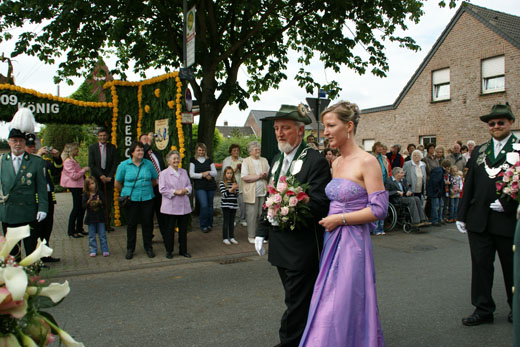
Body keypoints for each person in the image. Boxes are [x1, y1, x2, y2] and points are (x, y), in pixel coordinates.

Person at [297, 101, 387, 346]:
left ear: (348, 126)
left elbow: (379, 209)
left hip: (353, 243)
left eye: (330, 125)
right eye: (324, 126)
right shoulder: (335, 163)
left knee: (344, 300)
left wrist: (341, 219)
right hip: (331, 239)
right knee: (327, 296)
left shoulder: (367, 162)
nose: (325, 132)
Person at [254, 104, 331, 347]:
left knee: (296, 302)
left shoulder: (315, 161)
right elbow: (269, 198)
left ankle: (288, 342)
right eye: (277, 128)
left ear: (300, 130)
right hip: (279, 246)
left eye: (285, 128)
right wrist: (261, 232)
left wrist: (298, 201)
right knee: (294, 298)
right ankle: (309, 339)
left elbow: (321, 204)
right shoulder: (277, 159)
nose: (279, 133)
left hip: (302, 247)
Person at [457, 104, 520, 326]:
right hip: (479, 221)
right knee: (481, 267)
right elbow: (470, 184)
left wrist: (509, 206)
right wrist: (461, 215)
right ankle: (483, 309)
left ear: (511, 123)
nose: (495, 126)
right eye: (491, 123)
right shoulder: (480, 151)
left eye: (500, 122)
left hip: (508, 221)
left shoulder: (519, 148)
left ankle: (517, 308)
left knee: (513, 268)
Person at [0, 108, 48, 257]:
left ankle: (32, 278)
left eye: (21, 141)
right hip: (9, 213)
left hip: (28, 213)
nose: (18, 144)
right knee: (12, 253)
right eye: (14, 141)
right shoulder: (2, 161)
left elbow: (41, 188)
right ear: (9, 142)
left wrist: (43, 208)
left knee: (31, 251)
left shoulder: (36, 162)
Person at [115, 141, 158, 260]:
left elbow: (155, 180)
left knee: (147, 224)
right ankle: (130, 249)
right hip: (131, 199)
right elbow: (117, 183)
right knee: (131, 224)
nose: (141, 152)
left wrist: (146, 188)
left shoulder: (148, 164)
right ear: (132, 152)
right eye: (138, 150)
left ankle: (148, 247)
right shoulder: (123, 165)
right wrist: (126, 192)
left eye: (142, 150)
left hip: (147, 198)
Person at [25, 136, 62, 262]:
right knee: (36, 230)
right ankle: (36, 257)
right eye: (30, 147)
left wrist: (57, 156)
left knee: (47, 227)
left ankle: (45, 254)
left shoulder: (44, 161)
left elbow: (58, 170)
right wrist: (38, 156)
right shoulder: (26, 162)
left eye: (34, 146)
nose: (33, 148)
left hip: (48, 198)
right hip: (35, 200)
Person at [158, 150, 192, 259]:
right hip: (170, 207)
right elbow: (162, 189)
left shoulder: (184, 172)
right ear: (168, 161)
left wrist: (185, 190)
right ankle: (169, 251)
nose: (176, 160)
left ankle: (183, 250)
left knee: (183, 230)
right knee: (169, 230)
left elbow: (189, 186)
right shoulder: (163, 174)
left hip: (183, 206)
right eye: (174, 159)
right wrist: (175, 192)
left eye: (177, 158)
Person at [88, 128, 118, 231]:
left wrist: (109, 176)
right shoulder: (92, 148)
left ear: (107, 136)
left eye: (104, 135)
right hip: (97, 179)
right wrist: (101, 176)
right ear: (98, 137)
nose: (102, 137)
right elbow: (91, 164)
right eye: (100, 135)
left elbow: (114, 163)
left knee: (107, 202)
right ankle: (97, 225)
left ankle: (107, 224)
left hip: (108, 179)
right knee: (97, 202)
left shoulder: (112, 147)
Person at [241, 141, 269, 244]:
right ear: (250, 151)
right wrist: (259, 176)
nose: (258, 151)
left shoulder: (264, 160)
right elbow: (244, 177)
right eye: (256, 149)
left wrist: (265, 175)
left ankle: (260, 235)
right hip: (251, 193)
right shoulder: (246, 161)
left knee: (262, 215)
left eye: (259, 149)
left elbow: (269, 174)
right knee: (251, 215)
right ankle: (251, 236)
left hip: (263, 191)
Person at [60, 143, 90, 238]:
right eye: (76, 149)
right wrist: (84, 170)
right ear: (71, 150)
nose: (78, 151)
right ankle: (71, 230)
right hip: (75, 186)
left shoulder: (73, 160)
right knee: (76, 208)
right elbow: (74, 175)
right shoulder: (68, 161)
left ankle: (79, 228)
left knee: (81, 207)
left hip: (79, 186)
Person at [141, 132, 166, 234]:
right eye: (144, 139)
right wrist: (147, 143)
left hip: (160, 187)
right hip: (149, 187)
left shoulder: (156, 153)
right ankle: (148, 237)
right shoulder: (141, 154)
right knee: (148, 215)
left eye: (148, 138)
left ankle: (165, 236)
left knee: (162, 213)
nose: (147, 140)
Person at [189, 142, 217, 232]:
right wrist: (202, 175)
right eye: (199, 150)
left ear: (205, 151)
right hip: (200, 186)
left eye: (203, 150)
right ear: (197, 150)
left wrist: (208, 173)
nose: (201, 152)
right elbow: (191, 174)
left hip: (210, 185)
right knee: (204, 205)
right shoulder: (193, 160)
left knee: (210, 205)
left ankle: (210, 224)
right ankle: (203, 225)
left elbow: (215, 172)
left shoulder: (209, 160)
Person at [82, 176, 109, 257]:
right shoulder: (86, 195)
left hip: (100, 217)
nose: (92, 186)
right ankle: (93, 249)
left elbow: (104, 203)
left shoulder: (99, 193)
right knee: (91, 235)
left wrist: (100, 201)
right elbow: (83, 206)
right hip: (91, 218)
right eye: (90, 184)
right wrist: (89, 200)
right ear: (87, 186)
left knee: (102, 234)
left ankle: (105, 249)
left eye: (93, 183)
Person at [222, 144, 246, 226]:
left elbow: (247, 172)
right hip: (230, 185)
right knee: (232, 202)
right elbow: (225, 173)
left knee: (242, 203)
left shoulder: (243, 160)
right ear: (230, 152)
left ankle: (243, 219)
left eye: (237, 150)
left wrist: (242, 168)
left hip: (241, 184)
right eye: (234, 150)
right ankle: (233, 219)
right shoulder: (227, 160)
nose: (236, 152)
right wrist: (236, 169)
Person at [372, 141, 391, 235]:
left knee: (383, 206)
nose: (380, 149)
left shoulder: (383, 158)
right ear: (375, 148)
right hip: (375, 184)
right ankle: (375, 229)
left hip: (384, 183)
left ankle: (381, 228)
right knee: (376, 206)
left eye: (381, 147)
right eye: (379, 147)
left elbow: (386, 170)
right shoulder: (372, 158)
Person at [219, 166, 239, 245]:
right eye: (228, 173)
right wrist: (231, 189)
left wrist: (234, 190)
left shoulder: (235, 182)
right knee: (226, 222)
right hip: (226, 205)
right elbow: (224, 194)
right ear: (225, 174)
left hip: (233, 205)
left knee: (232, 222)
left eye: (231, 173)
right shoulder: (222, 183)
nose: (229, 175)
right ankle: (225, 237)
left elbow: (237, 195)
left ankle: (232, 237)